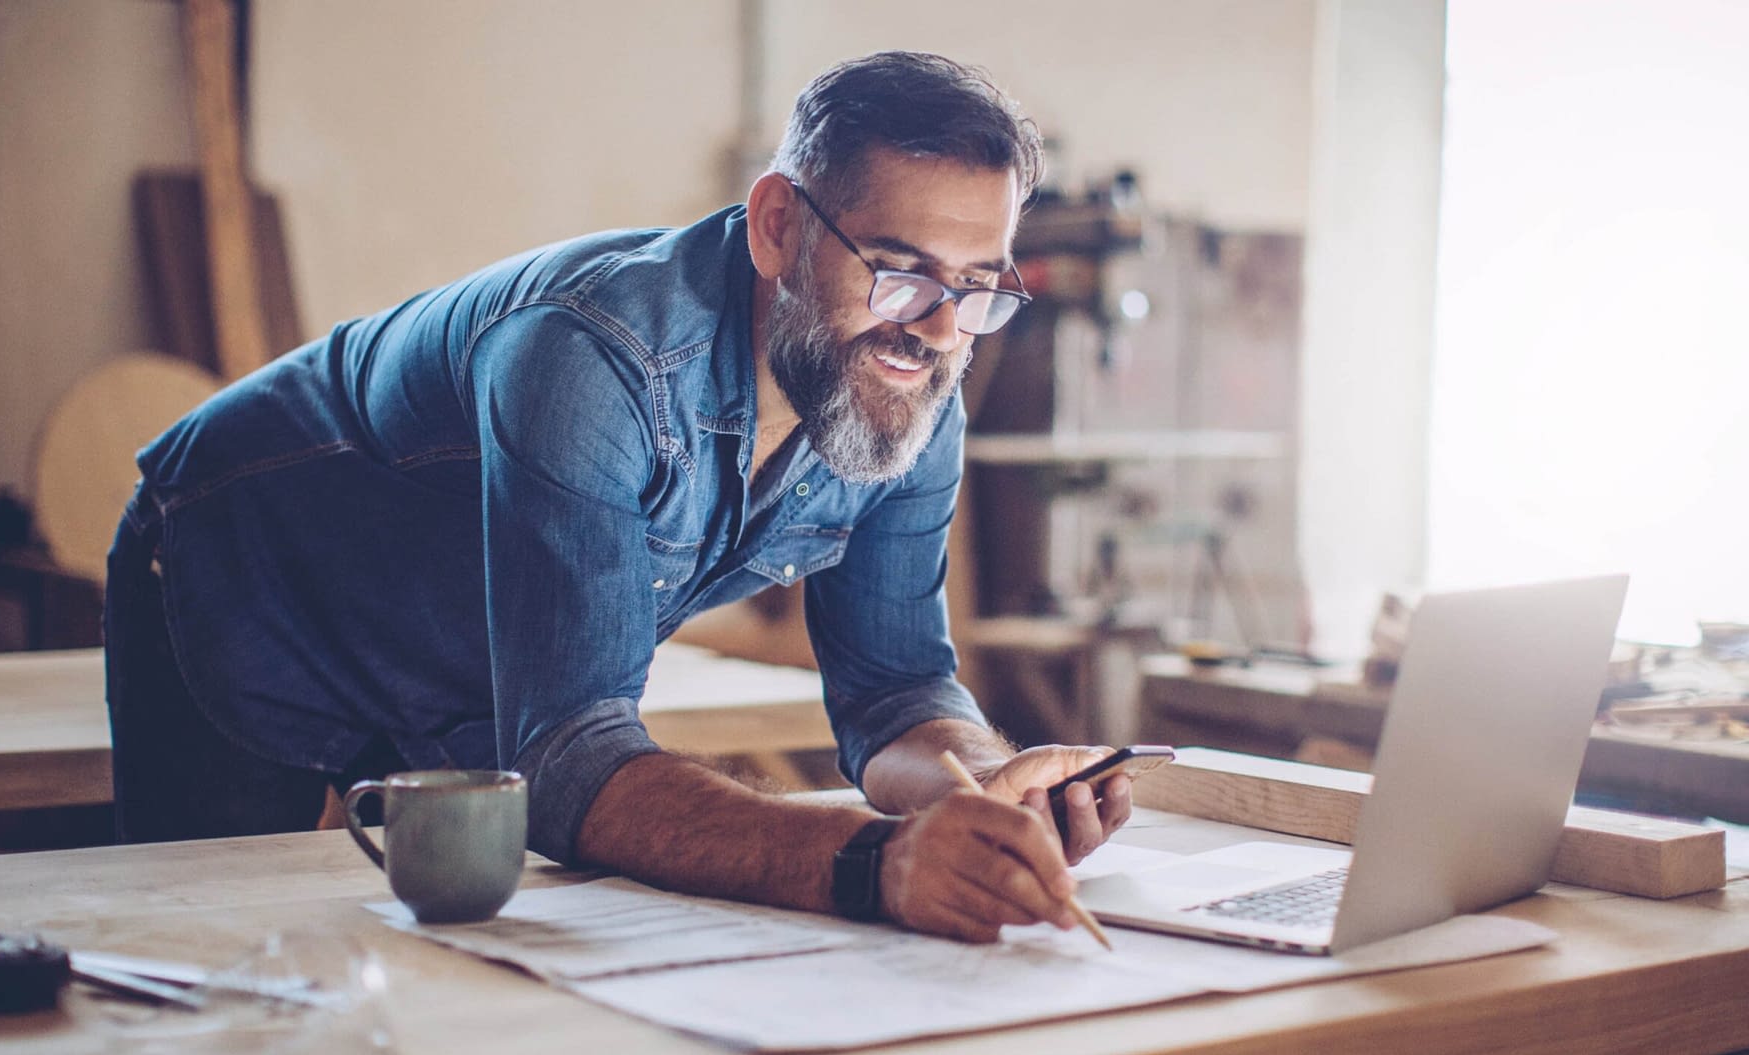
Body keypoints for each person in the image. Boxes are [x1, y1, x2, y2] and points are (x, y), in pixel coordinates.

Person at [105, 50, 1132, 942]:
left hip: (468, 668)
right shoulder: (589, 357)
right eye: (900, 270)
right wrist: (873, 863)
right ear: (778, 226)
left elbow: (897, 691)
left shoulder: (909, 389)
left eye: (977, 287)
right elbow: (571, 760)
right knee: (220, 964)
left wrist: (984, 789)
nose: (941, 331)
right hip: (250, 584)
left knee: (440, 984)